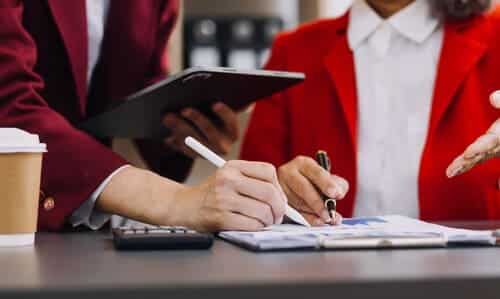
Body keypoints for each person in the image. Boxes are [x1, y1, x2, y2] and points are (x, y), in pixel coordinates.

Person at [0, 0, 287, 232]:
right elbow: (9, 105)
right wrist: (174, 201)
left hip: (79, 234)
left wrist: (182, 129)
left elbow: (142, 79)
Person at [241, 0, 500, 225]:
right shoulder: (293, 51)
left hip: (474, 277)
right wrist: (280, 196)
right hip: (326, 275)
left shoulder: (495, 36)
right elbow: (246, 197)